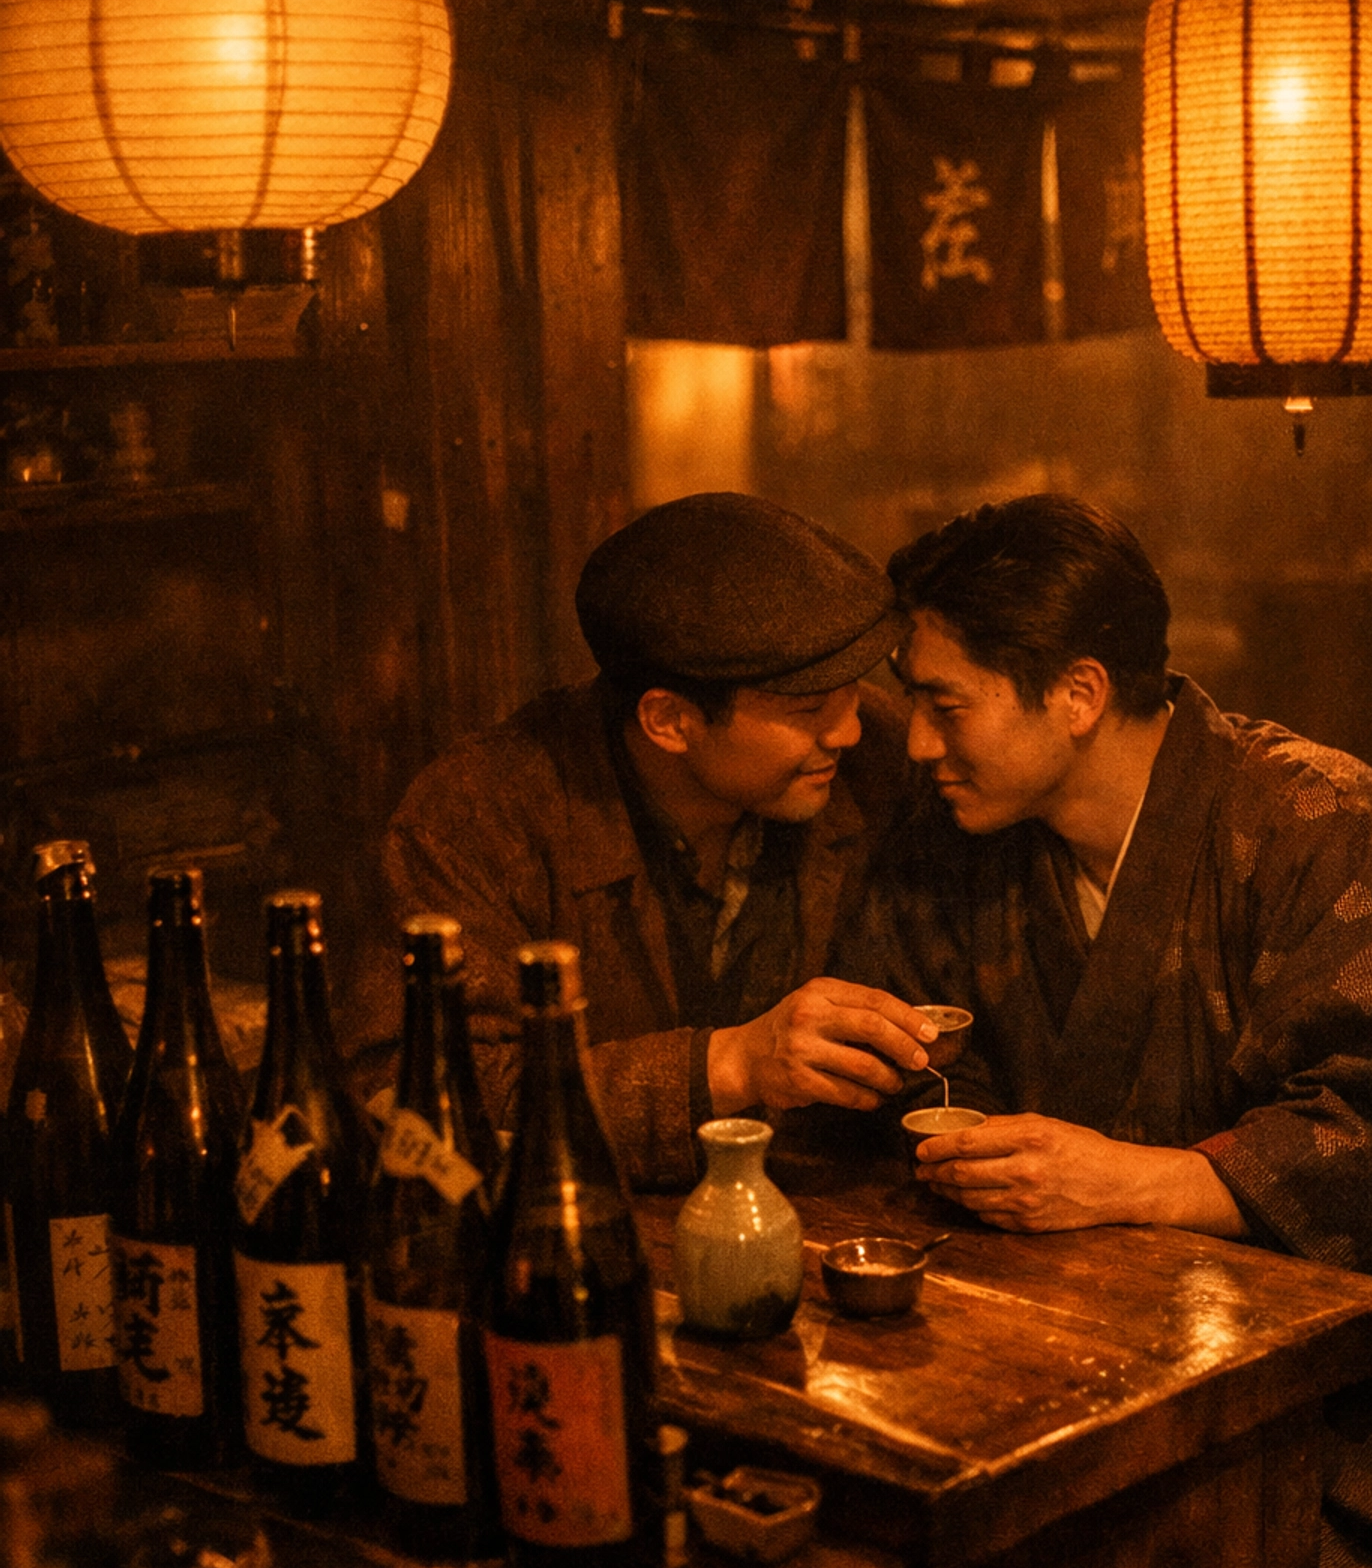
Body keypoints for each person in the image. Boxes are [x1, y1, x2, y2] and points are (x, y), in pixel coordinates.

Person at [845, 490, 1372, 1568]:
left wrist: (1133, 1181)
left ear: (1077, 691)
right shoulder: (953, 849)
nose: (916, 744)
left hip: (1362, 1417)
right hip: (1077, 1375)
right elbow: (917, 1083)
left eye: (947, 704)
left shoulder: (1318, 826)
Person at [345, 491, 939, 1188]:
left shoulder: (883, 763)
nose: (849, 731)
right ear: (668, 721)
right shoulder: (483, 815)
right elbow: (406, 1105)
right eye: (810, 709)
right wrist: (730, 1064)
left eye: (854, 692)